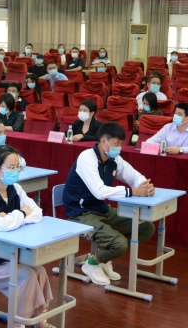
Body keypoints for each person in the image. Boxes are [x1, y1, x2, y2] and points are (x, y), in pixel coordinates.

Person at [0, 145, 53, 328]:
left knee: (39, 269)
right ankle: (18, 322)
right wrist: (21, 214)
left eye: (17, 167)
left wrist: (13, 218)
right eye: (11, 167)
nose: (15, 171)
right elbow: (0, 225)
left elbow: (37, 213)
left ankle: (40, 318)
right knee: (27, 275)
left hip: (8, 254)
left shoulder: (16, 188)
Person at [63, 122, 156, 285]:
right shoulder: (87, 158)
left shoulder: (114, 159)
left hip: (101, 210)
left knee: (146, 228)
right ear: (104, 141)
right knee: (120, 244)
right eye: (116, 143)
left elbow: (133, 175)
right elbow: (99, 191)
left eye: (121, 144)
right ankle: (91, 264)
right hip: (80, 214)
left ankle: (103, 258)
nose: (119, 148)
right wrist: (133, 191)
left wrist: (145, 185)